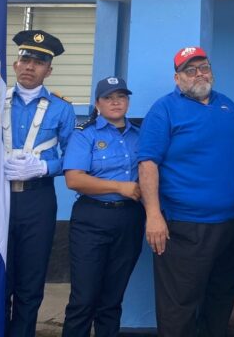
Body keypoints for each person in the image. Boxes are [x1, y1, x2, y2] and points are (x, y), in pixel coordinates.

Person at [138, 46, 234, 337]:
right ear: (177, 78)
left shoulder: (226, 104)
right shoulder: (164, 109)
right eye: (190, 70)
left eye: (204, 67)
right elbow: (147, 164)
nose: (199, 74)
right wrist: (153, 215)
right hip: (185, 227)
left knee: (221, 298)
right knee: (179, 306)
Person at [3, 29, 76, 337]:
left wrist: (44, 167)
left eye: (39, 62)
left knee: (30, 281)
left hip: (38, 199)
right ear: (15, 64)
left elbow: (72, 158)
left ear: (49, 70)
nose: (30, 66)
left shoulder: (62, 108)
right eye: (25, 59)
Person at [61, 76, 144, 337]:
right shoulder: (84, 134)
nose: (115, 102)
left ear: (128, 102)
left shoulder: (139, 135)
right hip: (92, 219)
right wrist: (119, 187)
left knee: (112, 299)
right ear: (97, 103)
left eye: (121, 97)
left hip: (129, 218)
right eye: (108, 97)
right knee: (84, 299)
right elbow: (74, 180)